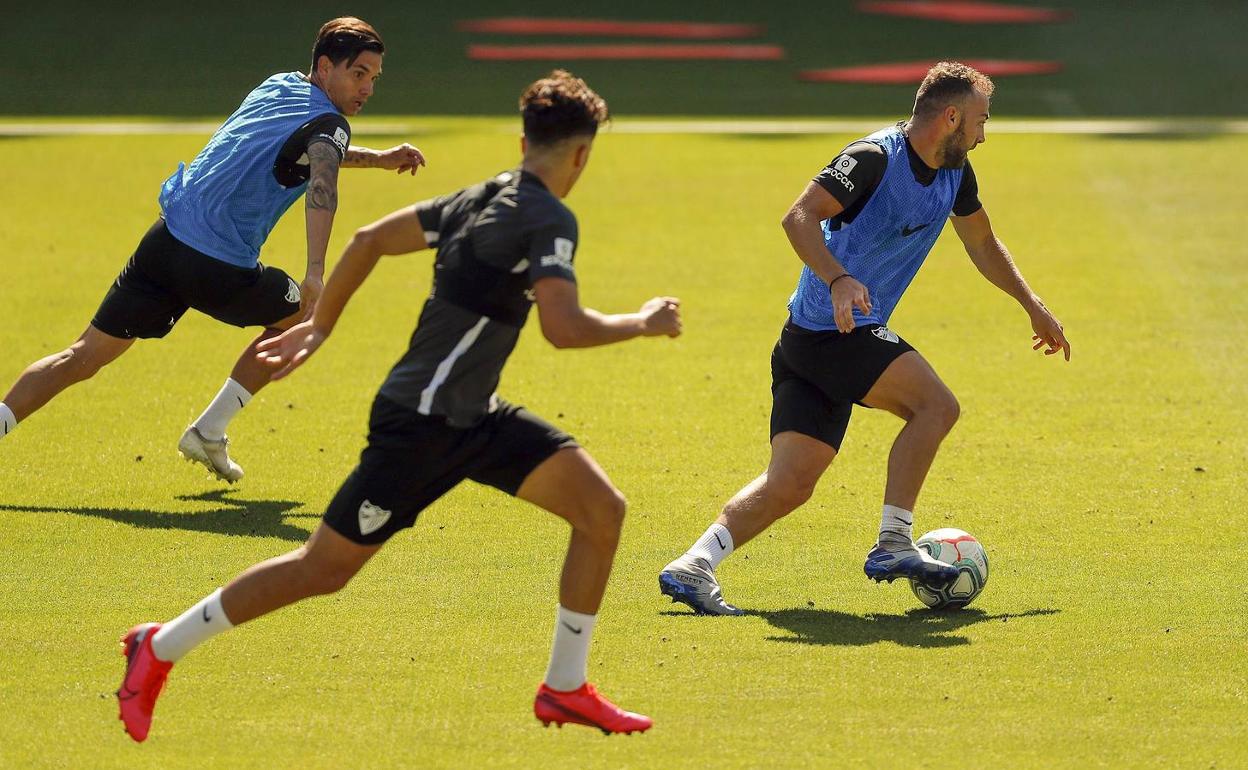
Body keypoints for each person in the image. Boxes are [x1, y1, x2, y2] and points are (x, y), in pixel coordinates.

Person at [116, 70, 676, 742]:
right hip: (421, 426)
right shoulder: (547, 218)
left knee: (600, 510)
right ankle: (159, 646)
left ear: (524, 138)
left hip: (474, 415)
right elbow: (563, 328)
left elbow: (369, 240)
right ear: (581, 154)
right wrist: (642, 323)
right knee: (321, 570)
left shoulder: (483, 196)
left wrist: (319, 327)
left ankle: (564, 687)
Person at [659, 61, 1070, 615]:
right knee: (936, 407)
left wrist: (1031, 303)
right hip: (833, 333)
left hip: (812, 343)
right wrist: (839, 278)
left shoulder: (956, 173)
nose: (982, 134)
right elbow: (798, 217)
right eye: (979, 120)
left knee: (790, 482)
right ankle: (894, 542)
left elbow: (983, 244)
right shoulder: (872, 159)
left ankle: (694, 564)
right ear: (950, 116)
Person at [0, 17, 425, 483]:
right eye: (358, 73)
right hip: (218, 266)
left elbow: (301, 147)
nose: (366, 88)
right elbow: (322, 180)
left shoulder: (278, 85)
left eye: (374, 78)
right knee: (303, 316)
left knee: (81, 357)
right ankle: (210, 429)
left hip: (165, 242)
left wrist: (380, 159)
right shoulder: (331, 123)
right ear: (325, 67)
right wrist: (316, 273)